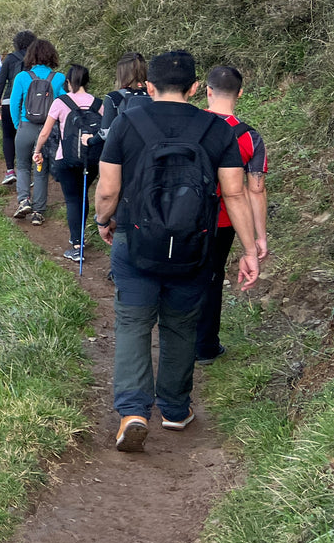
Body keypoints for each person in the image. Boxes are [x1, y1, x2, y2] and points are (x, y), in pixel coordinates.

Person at [94, 50, 260, 453]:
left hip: (135, 240)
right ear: (195, 88)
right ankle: (174, 409)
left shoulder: (126, 122)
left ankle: (133, 411)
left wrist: (103, 220)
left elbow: (108, 189)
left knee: (133, 324)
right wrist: (250, 248)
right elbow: (235, 193)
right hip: (194, 244)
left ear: (148, 87)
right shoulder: (217, 130)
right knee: (181, 324)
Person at [196, 65, 269, 363]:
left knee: (181, 274)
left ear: (207, 91)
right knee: (213, 279)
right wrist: (258, 236)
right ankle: (206, 347)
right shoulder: (250, 137)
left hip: (181, 215)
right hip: (224, 220)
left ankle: (174, 339)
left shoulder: (190, 123)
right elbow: (256, 190)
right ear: (240, 93)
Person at [35, 64, 103, 262]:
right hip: (91, 159)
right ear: (87, 81)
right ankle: (79, 238)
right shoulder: (98, 104)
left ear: (68, 82)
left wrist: (37, 150)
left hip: (66, 159)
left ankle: (76, 244)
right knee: (83, 196)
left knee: (72, 199)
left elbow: (46, 132)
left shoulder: (60, 102)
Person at [10, 39, 66, 226]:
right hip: (48, 130)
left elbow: (14, 104)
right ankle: (38, 212)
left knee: (23, 165)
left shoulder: (22, 77)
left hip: (26, 127)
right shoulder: (58, 78)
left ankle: (24, 200)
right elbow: (64, 104)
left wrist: (19, 125)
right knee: (41, 170)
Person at [0, 31, 36, 186]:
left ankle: (10, 171)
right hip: (30, 102)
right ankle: (28, 174)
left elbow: (0, 83)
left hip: (9, 102)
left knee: (8, 136)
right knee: (29, 137)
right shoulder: (36, 59)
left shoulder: (10, 59)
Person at [101, 51, 151, 139]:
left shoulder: (114, 98)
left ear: (121, 73)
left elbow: (105, 133)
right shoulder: (155, 95)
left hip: (126, 150)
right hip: (154, 149)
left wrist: (90, 140)